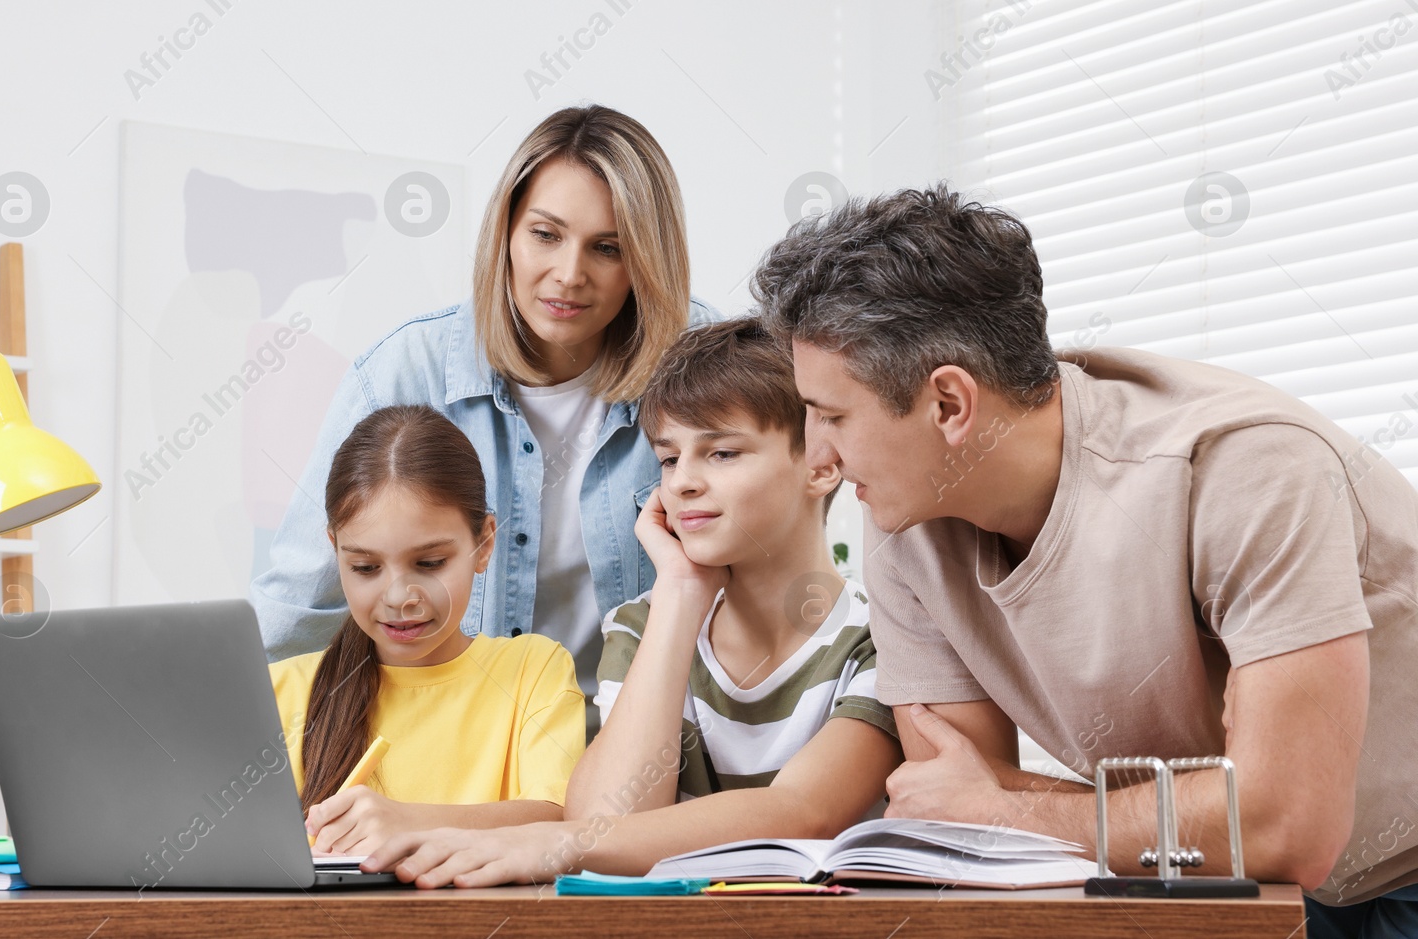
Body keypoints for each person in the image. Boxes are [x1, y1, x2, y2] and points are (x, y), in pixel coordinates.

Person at [751, 184, 1418, 935]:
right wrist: (1013, 812)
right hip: (1234, 890)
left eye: (832, 415)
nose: (819, 455)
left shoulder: (1245, 472)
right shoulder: (909, 517)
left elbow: (1286, 826)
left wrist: (1015, 807)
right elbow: (951, 807)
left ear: (948, 405)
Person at [351, 318, 902, 886]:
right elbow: (606, 826)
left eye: (722, 454)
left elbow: (803, 814)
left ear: (822, 465)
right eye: (669, 458)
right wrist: (681, 596)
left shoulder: (882, 640)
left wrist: (552, 839)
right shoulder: (643, 627)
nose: (682, 482)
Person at [252, 105, 717, 738]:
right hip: (454, 752)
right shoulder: (404, 375)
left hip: (641, 756)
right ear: (505, 232)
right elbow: (300, 611)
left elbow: (775, 572)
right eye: (545, 235)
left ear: (645, 260)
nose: (569, 274)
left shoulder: (704, 366)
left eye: (607, 248)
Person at [269, 405, 586, 855]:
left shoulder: (534, 671)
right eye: (365, 567)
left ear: (484, 544)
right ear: (335, 551)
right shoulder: (282, 693)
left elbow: (557, 820)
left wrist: (407, 821)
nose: (400, 597)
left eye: (430, 563)